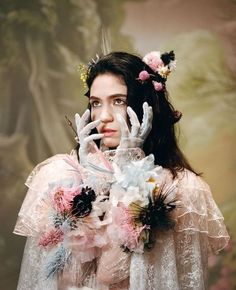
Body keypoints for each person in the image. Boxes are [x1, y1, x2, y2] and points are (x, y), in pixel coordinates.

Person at [14, 51, 230, 290]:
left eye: (119, 101)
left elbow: (111, 274)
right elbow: (62, 280)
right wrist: (93, 184)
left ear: (145, 106)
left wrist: (128, 182)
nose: (104, 116)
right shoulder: (61, 177)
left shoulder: (179, 188)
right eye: (96, 103)